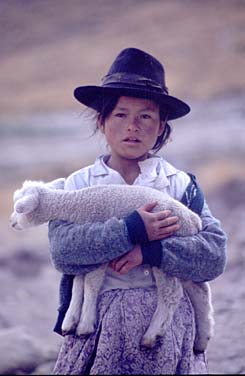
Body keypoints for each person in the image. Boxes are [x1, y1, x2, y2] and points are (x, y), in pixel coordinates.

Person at [48, 47, 227, 375]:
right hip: (94, 327)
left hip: (168, 329)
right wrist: (130, 229)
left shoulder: (180, 186)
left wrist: (151, 251)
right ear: (102, 122)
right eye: (120, 114)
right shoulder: (78, 185)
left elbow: (213, 255)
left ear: (161, 127)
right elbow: (63, 252)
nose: (133, 126)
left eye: (145, 115)